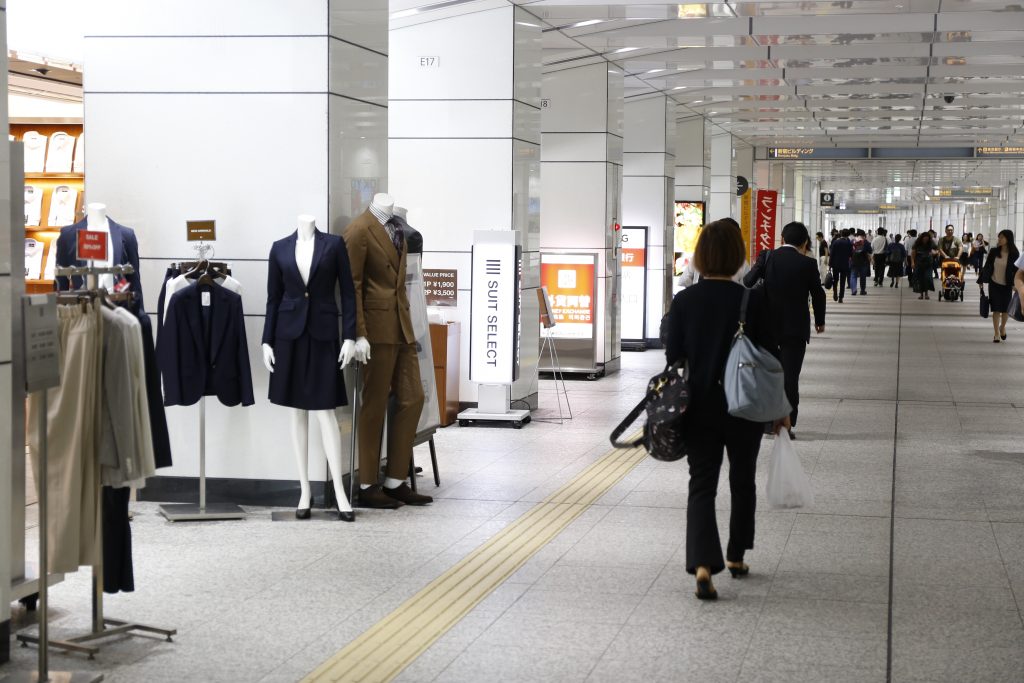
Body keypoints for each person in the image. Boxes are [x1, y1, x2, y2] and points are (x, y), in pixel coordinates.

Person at [665, 218, 788, 601]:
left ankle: (703, 564)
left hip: (698, 406)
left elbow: (673, 355)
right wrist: (782, 409)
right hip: (745, 405)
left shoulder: (684, 301)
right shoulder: (752, 299)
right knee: (742, 478)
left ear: (700, 257)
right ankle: (735, 555)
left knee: (701, 484)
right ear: (738, 256)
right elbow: (772, 356)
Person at [744, 221, 825, 436]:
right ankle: (786, 424)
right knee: (790, 377)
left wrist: (762, 268)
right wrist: (820, 320)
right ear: (805, 241)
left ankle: (765, 422)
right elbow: (818, 293)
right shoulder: (808, 264)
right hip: (795, 328)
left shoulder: (767, 256)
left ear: (781, 238)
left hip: (766, 327)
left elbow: (748, 281)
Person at [980, 229, 1019, 343]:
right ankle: (996, 333)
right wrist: (981, 281)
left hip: (1007, 285)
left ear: (1008, 239)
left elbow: (1017, 271)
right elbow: (987, 266)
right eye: (999, 237)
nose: (999, 239)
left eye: (1002, 237)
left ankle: (1002, 327)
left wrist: (1015, 284)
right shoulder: (994, 251)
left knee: (1005, 310)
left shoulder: (1014, 254)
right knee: (996, 309)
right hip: (994, 283)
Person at [911, 230, 937, 300]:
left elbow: (937, 250)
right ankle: (921, 294)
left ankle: (926, 294)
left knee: (927, 278)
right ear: (922, 238)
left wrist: (934, 253)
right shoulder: (917, 244)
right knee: (920, 279)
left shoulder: (931, 243)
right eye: (924, 239)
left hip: (928, 264)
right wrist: (912, 262)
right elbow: (913, 254)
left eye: (927, 239)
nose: (925, 240)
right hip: (919, 263)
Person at [829, 229, 853, 303]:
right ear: (848, 235)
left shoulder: (836, 242)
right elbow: (850, 254)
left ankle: (835, 293)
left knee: (835, 280)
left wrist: (830, 265)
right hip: (844, 264)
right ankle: (841, 297)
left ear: (841, 234)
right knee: (842, 281)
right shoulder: (848, 243)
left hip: (835, 264)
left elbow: (832, 254)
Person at [849, 230, 872, 296]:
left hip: (854, 260)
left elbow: (849, 250)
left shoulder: (852, 241)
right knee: (862, 276)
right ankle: (862, 290)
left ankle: (854, 290)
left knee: (853, 275)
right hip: (863, 261)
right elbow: (870, 250)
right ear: (863, 235)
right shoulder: (865, 241)